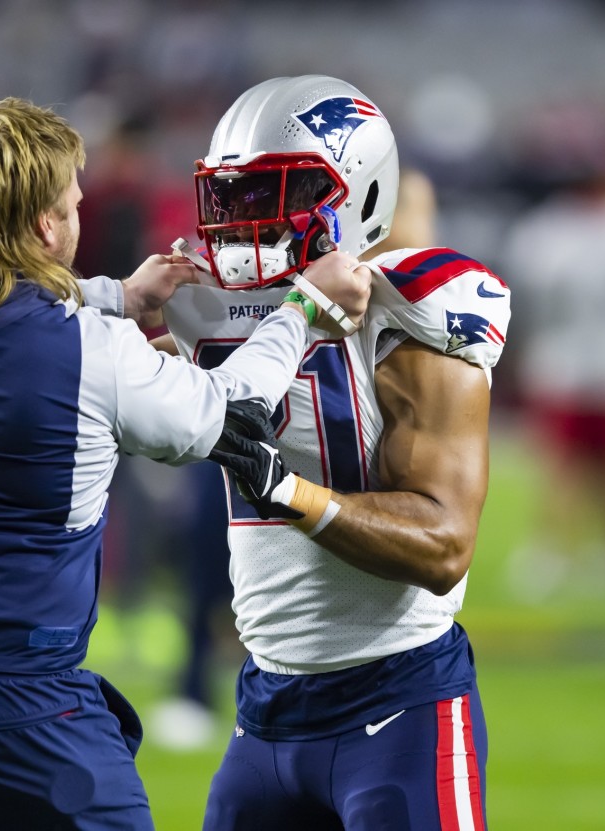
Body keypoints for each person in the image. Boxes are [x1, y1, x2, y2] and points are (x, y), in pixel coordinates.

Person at [0, 96, 371, 830]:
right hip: (14, 710)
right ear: (43, 225)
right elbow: (237, 417)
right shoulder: (90, 349)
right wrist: (302, 309)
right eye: (71, 206)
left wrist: (116, 296)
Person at [157, 75, 511, 829]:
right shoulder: (192, 301)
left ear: (360, 196)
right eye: (236, 198)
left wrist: (287, 491)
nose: (250, 222)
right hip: (265, 706)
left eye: (279, 195)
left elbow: (444, 542)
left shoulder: (414, 307)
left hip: (399, 703)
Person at [499, 119, 605, 598]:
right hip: (567, 362)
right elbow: (527, 303)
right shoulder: (548, 229)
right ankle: (558, 552)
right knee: (563, 467)